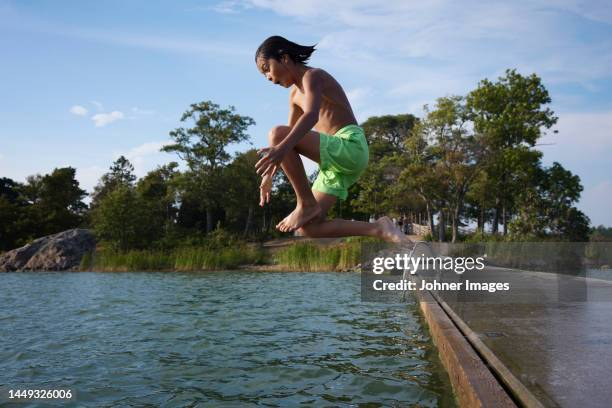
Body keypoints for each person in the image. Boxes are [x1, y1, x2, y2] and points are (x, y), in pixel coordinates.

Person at [254, 36, 408, 244]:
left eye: (267, 68)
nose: (269, 78)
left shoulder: (313, 76)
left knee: (276, 134)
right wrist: (269, 174)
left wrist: (280, 147)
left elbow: (310, 117)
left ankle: (305, 203)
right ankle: (379, 229)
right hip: (334, 165)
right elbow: (290, 139)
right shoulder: (293, 97)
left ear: (284, 58)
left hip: (350, 146)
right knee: (309, 228)